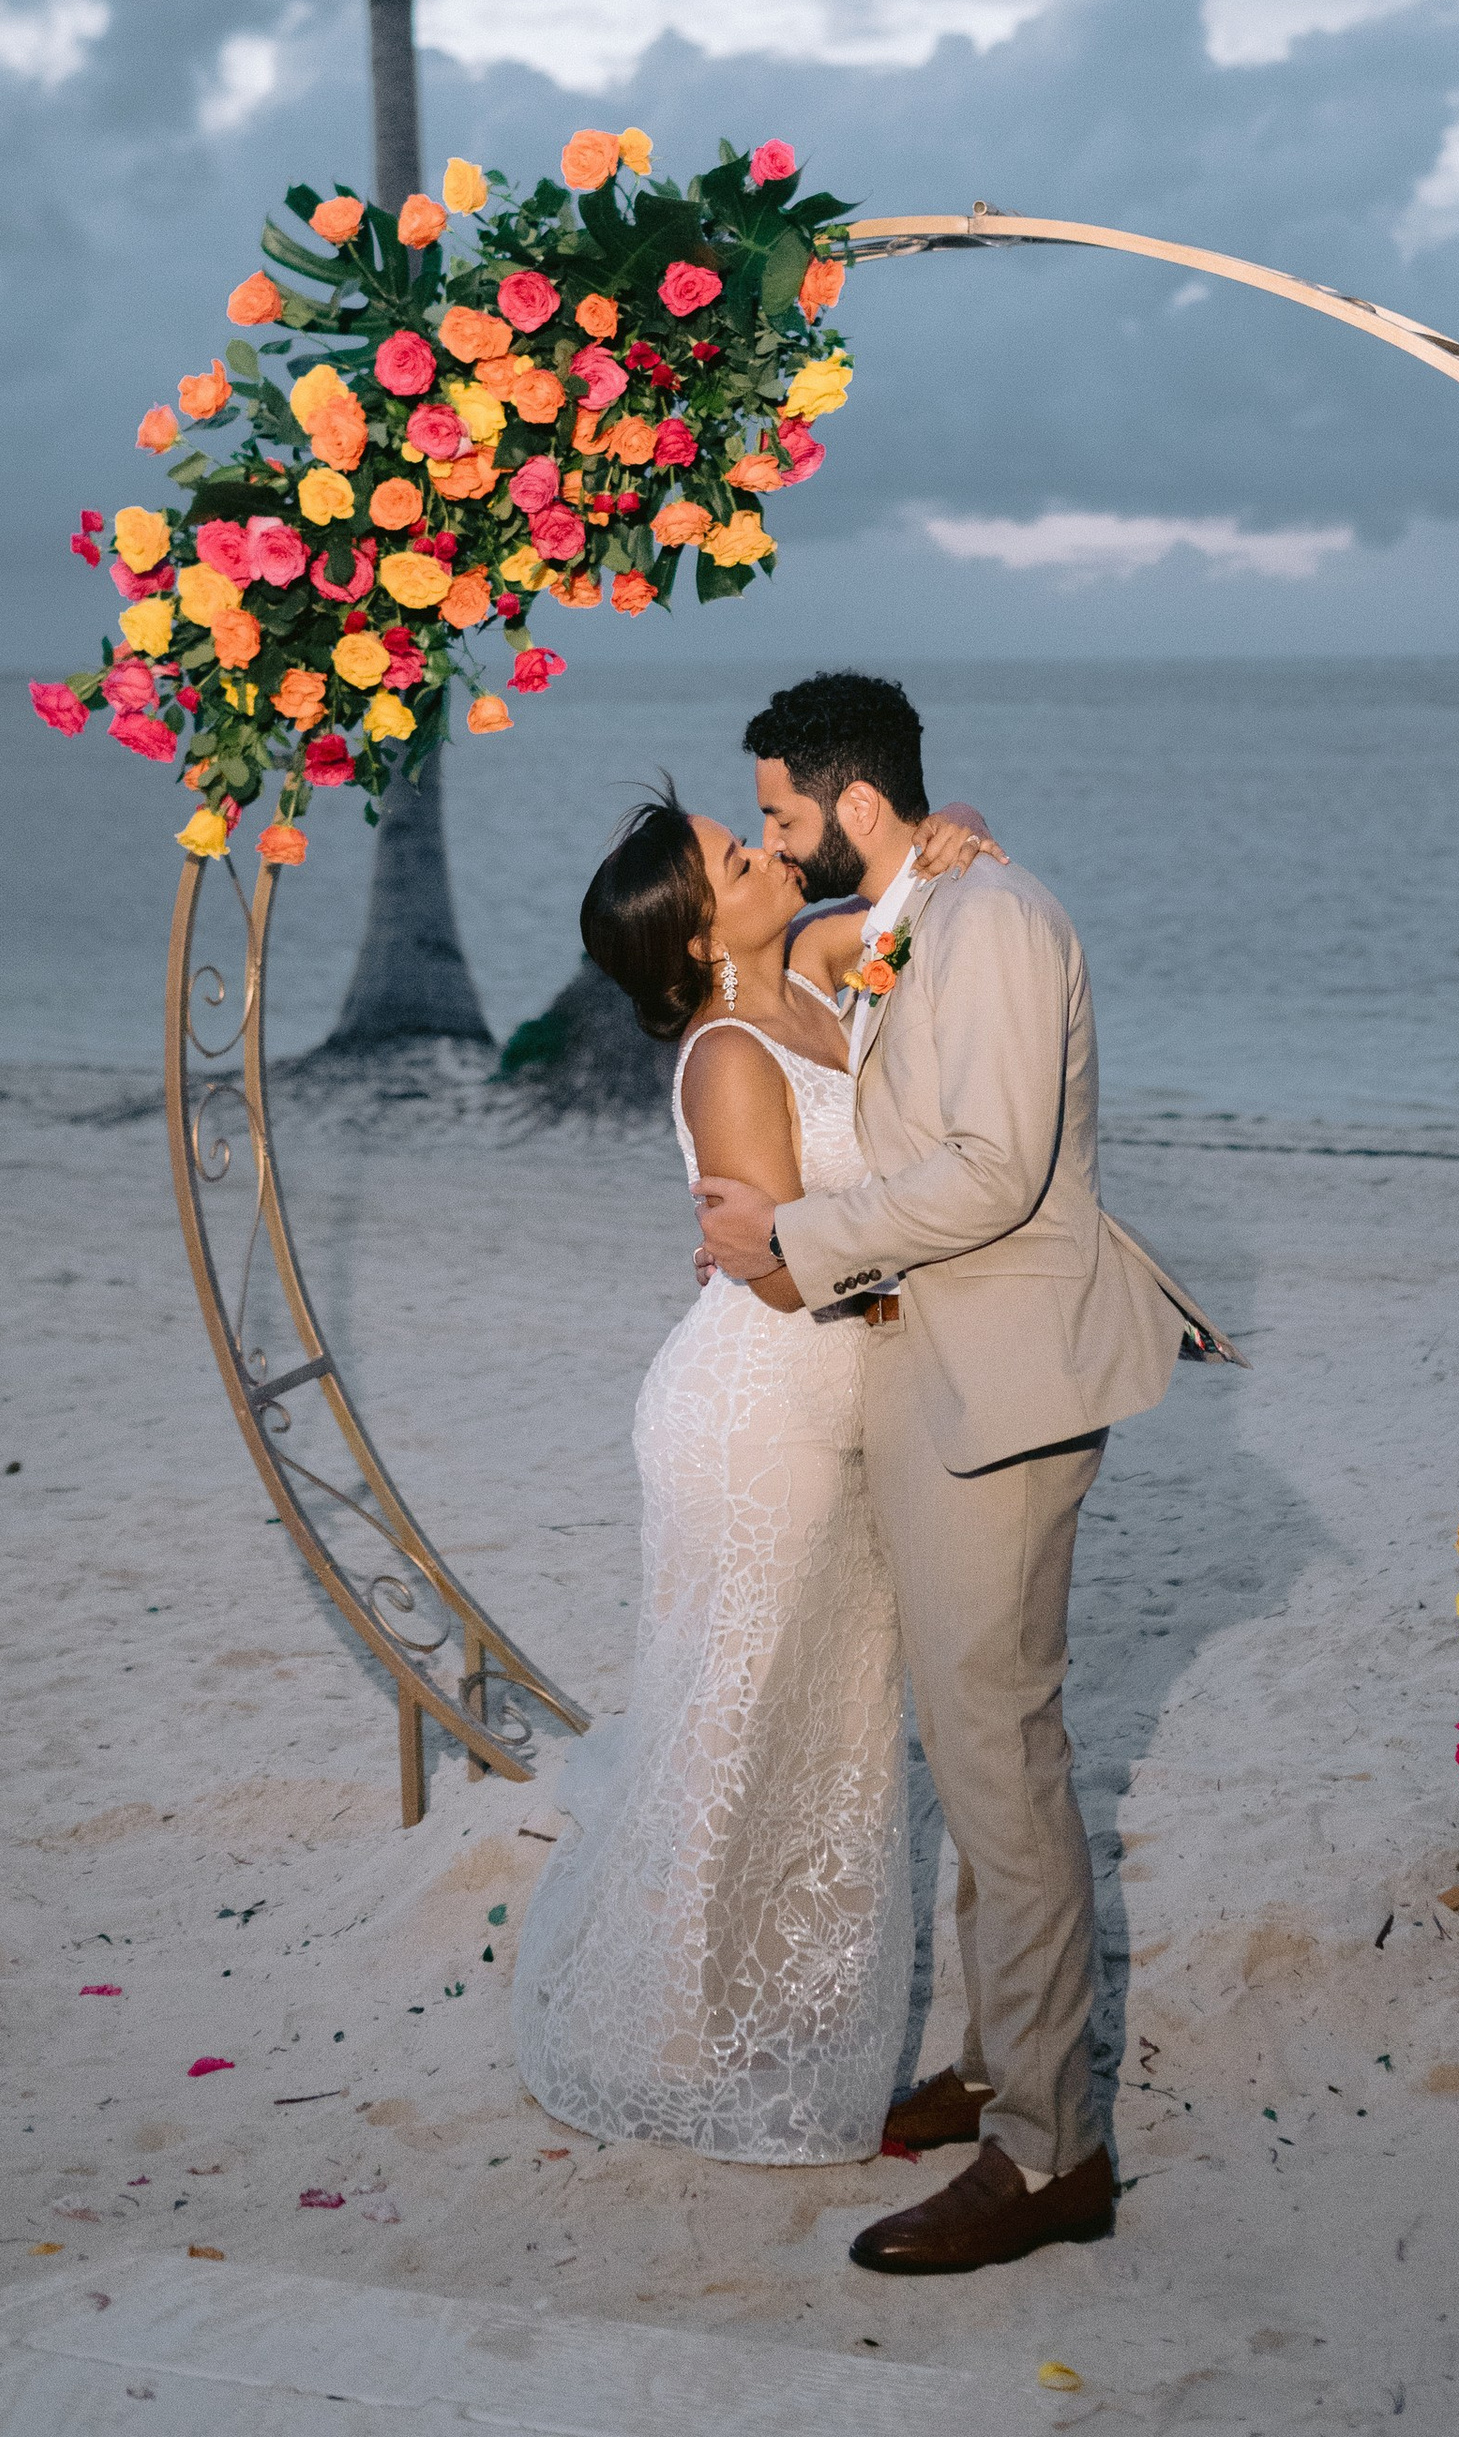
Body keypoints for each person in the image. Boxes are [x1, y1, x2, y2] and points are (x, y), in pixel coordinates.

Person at [696, 669, 1232, 2277]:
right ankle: (1007, 2056)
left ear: (857, 802)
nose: (780, 848)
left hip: (1001, 1392)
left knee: (1003, 1767)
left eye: (786, 816)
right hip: (940, 1378)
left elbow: (994, 1171)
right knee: (977, 1745)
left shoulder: (988, 920)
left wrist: (796, 1240)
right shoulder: (928, 904)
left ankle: (1050, 2150)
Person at [508, 782, 1000, 2162]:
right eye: (740, 858)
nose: (769, 848)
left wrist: (939, 844)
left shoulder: (818, 976)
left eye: (753, 834)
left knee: (826, 1718)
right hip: (756, 1418)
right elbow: (784, 1282)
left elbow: (895, 919)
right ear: (697, 940)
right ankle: (667, 2033)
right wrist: (927, 1266)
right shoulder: (730, 1051)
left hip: (840, 1417)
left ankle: (761, 2005)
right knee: (733, 1719)